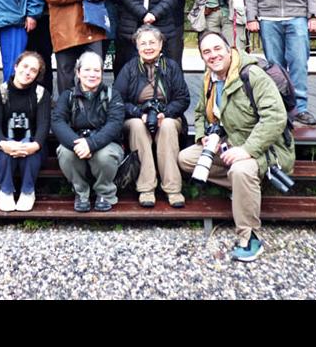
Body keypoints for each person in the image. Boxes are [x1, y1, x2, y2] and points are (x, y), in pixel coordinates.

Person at [177, 31, 294, 262]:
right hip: (229, 142)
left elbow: (275, 118)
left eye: (217, 49)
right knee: (186, 159)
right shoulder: (210, 77)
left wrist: (247, 150)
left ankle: (249, 237)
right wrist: (203, 137)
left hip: (267, 148)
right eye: (206, 52)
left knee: (240, 170)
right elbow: (200, 114)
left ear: (229, 49)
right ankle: (245, 189)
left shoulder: (252, 75)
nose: (213, 55)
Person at [113, 25, 190, 208]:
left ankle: (173, 188)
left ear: (161, 44)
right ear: (137, 46)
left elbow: (183, 98)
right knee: (138, 126)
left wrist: (165, 113)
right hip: (136, 116)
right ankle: (146, 187)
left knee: (168, 126)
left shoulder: (171, 67)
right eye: (143, 43)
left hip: (168, 114)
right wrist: (139, 113)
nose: (148, 47)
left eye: (152, 42)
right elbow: (117, 101)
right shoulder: (129, 68)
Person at [52, 51, 125, 212]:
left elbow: (115, 124)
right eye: (87, 70)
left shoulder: (113, 95)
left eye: (96, 70)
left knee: (105, 155)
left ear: (102, 73)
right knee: (65, 152)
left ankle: (105, 193)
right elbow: (57, 121)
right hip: (76, 141)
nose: (92, 74)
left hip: (107, 144)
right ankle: (81, 193)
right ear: (78, 72)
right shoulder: (67, 96)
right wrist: (77, 144)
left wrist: (91, 144)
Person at [0, 51, 52, 212]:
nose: (27, 72)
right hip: (4, 142)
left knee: (32, 154)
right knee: (2, 154)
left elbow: (44, 124)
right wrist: (3, 144)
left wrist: (35, 145)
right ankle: (6, 191)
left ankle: (27, 191)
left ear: (37, 75)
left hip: (33, 144)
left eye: (33, 70)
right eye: (25, 66)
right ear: (16, 66)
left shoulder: (41, 94)